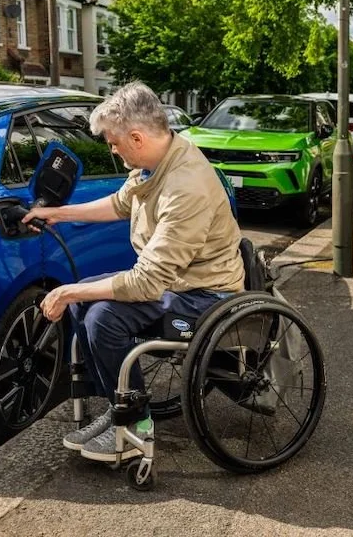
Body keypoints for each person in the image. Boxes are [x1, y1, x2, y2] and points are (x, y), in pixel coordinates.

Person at [22, 81, 245, 462]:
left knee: (102, 317)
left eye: (113, 141)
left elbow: (146, 282)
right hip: (176, 284)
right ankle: (116, 409)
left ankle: (135, 424)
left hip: (207, 296)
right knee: (84, 306)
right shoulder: (154, 163)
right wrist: (57, 214)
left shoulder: (185, 186)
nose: (111, 148)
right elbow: (119, 204)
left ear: (137, 137)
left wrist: (68, 291)